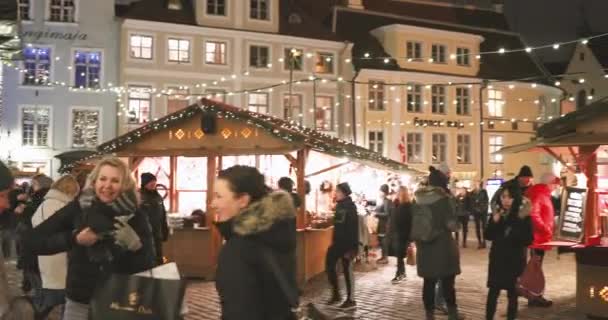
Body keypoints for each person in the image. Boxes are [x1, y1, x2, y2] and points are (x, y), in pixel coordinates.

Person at [23, 156, 156, 320]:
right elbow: (33, 241)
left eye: (115, 180)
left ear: (125, 185)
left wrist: (136, 247)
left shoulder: (136, 216)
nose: (107, 185)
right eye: (103, 179)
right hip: (80, 302)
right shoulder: (79, 208)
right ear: (94, 182)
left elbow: (150, 263)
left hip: (119, 303)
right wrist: (73, 239)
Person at [212, 165, 298, 320]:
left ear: (243, 200)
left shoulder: (239, 248)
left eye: (219, 196)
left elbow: (239, 312)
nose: (213, 204)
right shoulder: (276, 232)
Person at [415, 168, 463, 320]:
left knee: (428, 283)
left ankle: (429, 316)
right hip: (443, 247)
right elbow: (452, 225)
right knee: (448, 283)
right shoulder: (444, 199)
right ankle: (453, 315)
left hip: (424, 248)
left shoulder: (417, 199)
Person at [30, 175, 81, 318]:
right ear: (71, 191)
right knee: (65, 297)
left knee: (53, 298)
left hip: (46, 257)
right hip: (62, 257)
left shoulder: (44, 205)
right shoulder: (63, 207)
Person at [485, 183, 534, 320]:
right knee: (493, 292)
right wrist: (494, 221)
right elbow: (488, 235)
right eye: (503, 197)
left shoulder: (523, 217)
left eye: (510, 197)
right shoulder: (498, 214)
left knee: (512, 295)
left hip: (514, 261)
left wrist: (516, 225)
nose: (506, 200)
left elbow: (528, 240)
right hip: (497, 260)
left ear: (516, 198)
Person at [524, 172, 560, 308]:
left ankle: (535, 295)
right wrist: (545, 228)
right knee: (535, 268)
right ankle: (534, 296)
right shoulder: (539, 194)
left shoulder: (542, 193)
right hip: (537, 238)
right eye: (555, 184)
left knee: (536, 267)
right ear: (549, 183)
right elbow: (534, 215)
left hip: (540, 238)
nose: (555, 187)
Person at [17, 174, 53, 294]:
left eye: (34, 184)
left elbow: (32, 220)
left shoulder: (39, 198)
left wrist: (24, 209)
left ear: (39, 185)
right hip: (44, 243)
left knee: (33, 271)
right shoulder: (48, 197)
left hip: (34, 242)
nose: (32, 187)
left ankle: (39, 301)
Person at [326, 182, 359, 309]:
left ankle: (351, 300)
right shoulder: (339, 206)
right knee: (329, 265)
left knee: (347, 271)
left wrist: (353, 248)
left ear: (344, 192)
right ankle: (336, 294)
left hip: (348, 244)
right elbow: (338, 225)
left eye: (337, 191)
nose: (336, 193)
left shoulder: (350, 207)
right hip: (337, 243)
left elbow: (353, 228)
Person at [139, 172, 169, 266]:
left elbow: (163, 215)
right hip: (144, 236)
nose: (153, 184)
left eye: (154, 181)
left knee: (159, 259)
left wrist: (165, 230)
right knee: (147, 261)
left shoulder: (158, 197)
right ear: (145, 183)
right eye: (150, 182)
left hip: (157, 234)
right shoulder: (139, 197)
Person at [388, 186, 413, 284]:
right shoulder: (399, 204)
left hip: (402, 234)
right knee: (399, 256)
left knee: (399, 255)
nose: (396, 194)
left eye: (398, 192)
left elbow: (407, 221)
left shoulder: (407, 206)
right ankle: (402, 273)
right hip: (398, 233)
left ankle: (399, 274)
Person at [375, 184, 392, 264]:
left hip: (385, 225)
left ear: (384, 192)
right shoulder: (382, 200)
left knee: (384, 241)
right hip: (382, 224)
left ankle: (385, 258)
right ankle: (383, 257)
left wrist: (376, 214)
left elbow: (387, 213)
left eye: (381, 191)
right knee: (381, 241)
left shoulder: (386, 201)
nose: (379, 193)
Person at [470, 181, 489, 249]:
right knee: (477, 227)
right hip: (476, 212)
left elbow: (486, 201)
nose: (475, 185)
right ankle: (479, 242)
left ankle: (484, 241)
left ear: (479, 184)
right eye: (474, 184)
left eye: (477, 184)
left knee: (484, 226)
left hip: (483, 212)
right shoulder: (472, 193)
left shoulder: (484, 191)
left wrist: (483, 208)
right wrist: (475, 209)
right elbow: (471, 203)